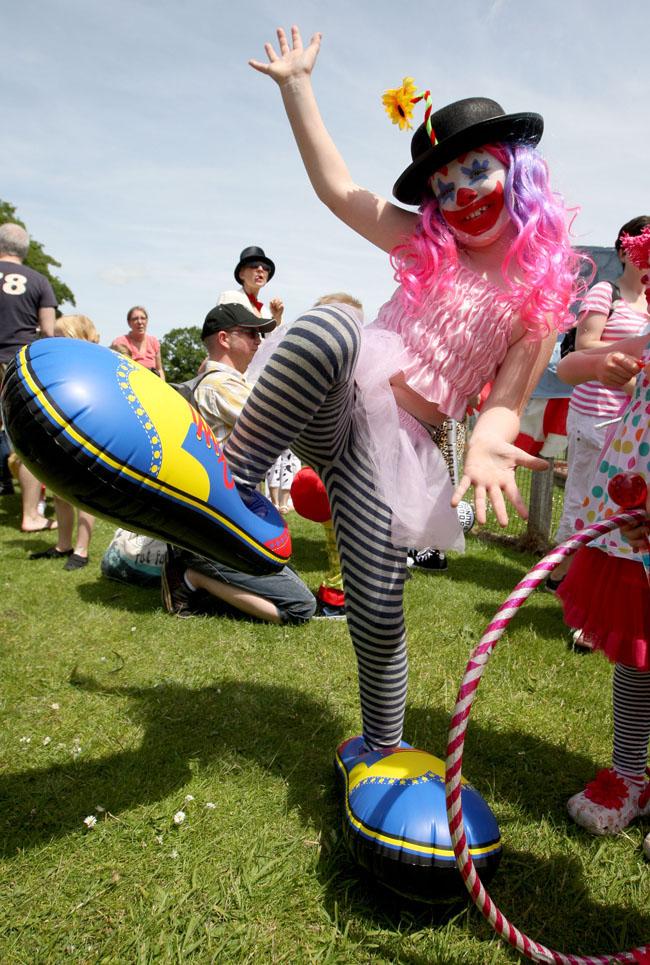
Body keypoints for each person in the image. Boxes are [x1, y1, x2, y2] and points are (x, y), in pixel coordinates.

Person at [219, 26, 586, 753]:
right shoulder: (426, 244)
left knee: (381, 610)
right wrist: (298, 89)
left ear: (514, 170)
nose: (460, 194)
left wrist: (487, 446)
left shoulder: (536, 297)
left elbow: (508, 397)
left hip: (394, 455)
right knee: (333, 325)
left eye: (474, 172)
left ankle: (382, 747)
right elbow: (337, 190)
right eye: (444, 188)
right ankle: (231, 484)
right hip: (338, 401)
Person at [162, 302, 316, 625]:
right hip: (214, 534)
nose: (259, 341)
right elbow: (276, 421)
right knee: (301, 607)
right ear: (224, 339)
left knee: (288, 578)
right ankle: (189, 578)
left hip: (219, 526)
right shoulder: (220, 385)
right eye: (250, 333)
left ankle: (199, 579)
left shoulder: (223, 382)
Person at [554, 329, 650, 848]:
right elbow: (567, 367)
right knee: (637, 655)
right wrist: (603, 365)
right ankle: (629, 775)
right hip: (635, 520)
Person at [548, 216, 650, 593]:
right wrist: (627, 372)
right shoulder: (606, 292)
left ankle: (576, 581)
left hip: (630, 423)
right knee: (583, 502)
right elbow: (585, 347)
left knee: (619, 511)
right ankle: (563, 579)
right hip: (594, 414)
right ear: (626, 249)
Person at [28, 315, 100, 569]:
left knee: (83, 494)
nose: (53, 340)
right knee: (60, 492)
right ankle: (63, 545)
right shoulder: (58, 362)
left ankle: (81, 550)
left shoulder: (92, 362)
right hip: (60, 431)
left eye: (60, 335)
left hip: (85, 431)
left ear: (75, 337)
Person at [0, 222, 57, 532]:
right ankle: (31, 516)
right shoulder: (38, 281)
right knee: (25, 440)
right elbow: (48, 332)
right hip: (14, 364)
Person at [217, 246, 284, 327]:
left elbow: (276, 339)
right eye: (254, 265)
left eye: (265, 267)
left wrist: (276, 318)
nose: (260, 269)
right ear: (241, 274)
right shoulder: (230, 297)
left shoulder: (266, 312)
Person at [110, 306, 165, 379]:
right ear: (129, 323)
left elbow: (159, 369)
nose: (140, 322)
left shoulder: (154, 342)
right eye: (135, 319)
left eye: (143, 318)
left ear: (147, 321)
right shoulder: (119, 342)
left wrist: (162, 387)